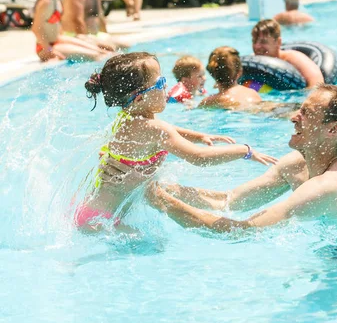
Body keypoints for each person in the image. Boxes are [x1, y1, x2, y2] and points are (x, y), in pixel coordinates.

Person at [141, 72, 337, 232]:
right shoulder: (296, 164)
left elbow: (241, 231)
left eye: (306, 113)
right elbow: (228, 201)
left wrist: (159, 201)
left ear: (333, 129)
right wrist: (159, 188)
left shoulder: (330, 185)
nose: (294, 118)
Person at [77, 52, 278, 232]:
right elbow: (199, 158)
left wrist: (198, 136)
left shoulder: (129, 117)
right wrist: (243, 150)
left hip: (91, 211)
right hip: (102, 222)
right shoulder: (154, 129)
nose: (166, 86)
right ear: (139, 99)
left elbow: (166, 129)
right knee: (152, 247)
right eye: (160, 83)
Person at [32, 0, 108, 62]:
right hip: (45, 47)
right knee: (95, 56)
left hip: (57, 40)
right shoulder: (46, 2)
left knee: (100, 50)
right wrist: (49, 50)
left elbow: (56, 26)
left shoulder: (56, 0)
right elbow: (36, 29)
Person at [252, 19, 324, 88]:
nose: (256, 46)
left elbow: (317, 85)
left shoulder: (295, 58)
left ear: (278, 42)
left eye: (263, 42)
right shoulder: (252, 61)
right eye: (254, 41)